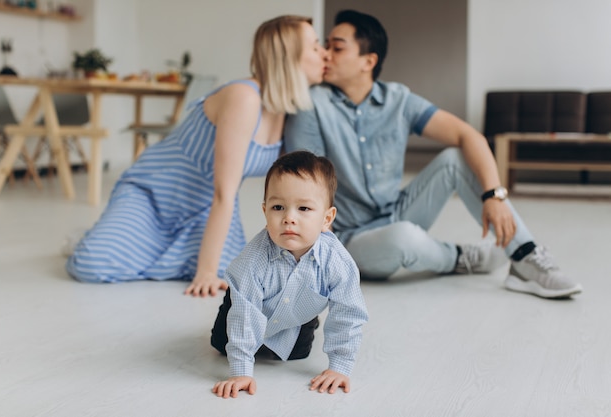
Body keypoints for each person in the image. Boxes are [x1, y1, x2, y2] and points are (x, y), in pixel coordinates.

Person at [284, 9, 582, 299]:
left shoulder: (397, 99)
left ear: (368, 61)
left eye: (336, 48)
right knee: (403, 237)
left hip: (398, 212)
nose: (325, 54)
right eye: (324, 46)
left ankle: (526, 256)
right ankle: (460, 257)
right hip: (351, 237)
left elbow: (469, 135)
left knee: (455, 158)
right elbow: (307, 185)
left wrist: (495, 196)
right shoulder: (312, 104)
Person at [65, 15, 328, 297]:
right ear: (288, 57)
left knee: (237, 273)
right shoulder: (245, 97)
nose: (324, 53)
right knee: (89, 265)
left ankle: (144, 249)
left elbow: (299, 189)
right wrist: (204, 272)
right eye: (315, 47)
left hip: (204, 209)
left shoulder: (290, 112)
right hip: (156, 195)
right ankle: (111, 237)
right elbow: (224, 193)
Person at [210, 150, 368, 398]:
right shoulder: (253, 260)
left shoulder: (337, 262)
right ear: (265, 212)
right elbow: (244, 315)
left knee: (295, 355)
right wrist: (241, 371)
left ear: (327, 219)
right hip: (247, 303)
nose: (289, 218)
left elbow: (348, 312)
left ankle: (290, 329)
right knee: (221, 343)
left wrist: (339, 367)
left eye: (304, 208)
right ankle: (243, 344)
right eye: (278, 207)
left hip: (298, 314)